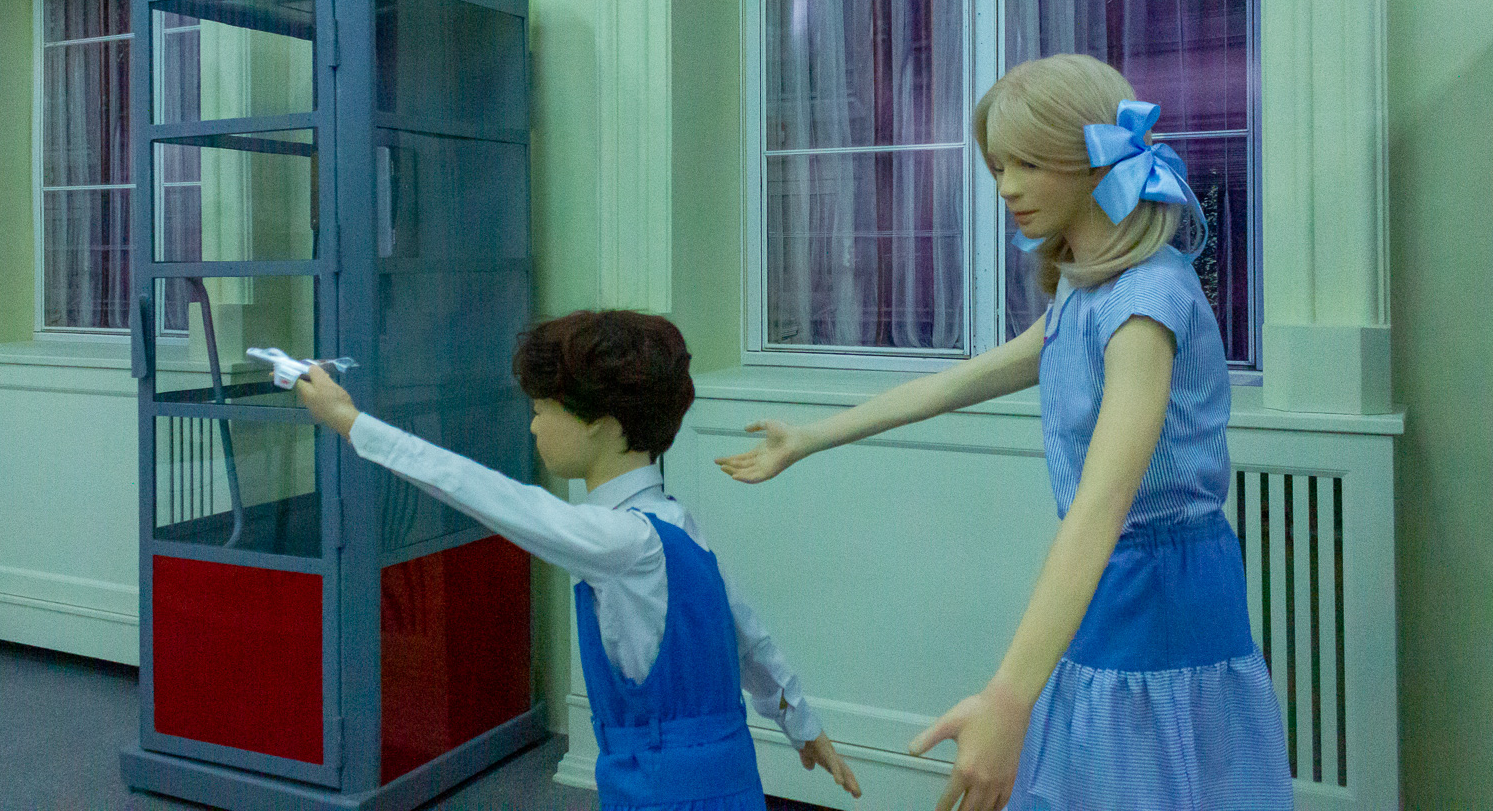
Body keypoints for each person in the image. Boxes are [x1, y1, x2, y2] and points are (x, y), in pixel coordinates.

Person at [717, 54, 1291, 811]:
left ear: (1095, 164)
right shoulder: (1089, 296)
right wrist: (809, 438)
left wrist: (1008, 698)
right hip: (1118, 579)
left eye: (1028, 164)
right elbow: (955, 383)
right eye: (997, 166)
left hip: (1161, 588)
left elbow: (1102, 505)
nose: (1006, 188)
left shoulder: (1146, 303)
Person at [297, 309, 861, 809]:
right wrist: (802, 724)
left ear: (600, 423)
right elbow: (749, 638)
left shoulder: (618, 542)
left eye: (543, 409)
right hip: (732, 781)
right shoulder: (679, 524)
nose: (534, 423)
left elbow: (480, 491)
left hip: (660, 793)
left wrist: (349, 421)